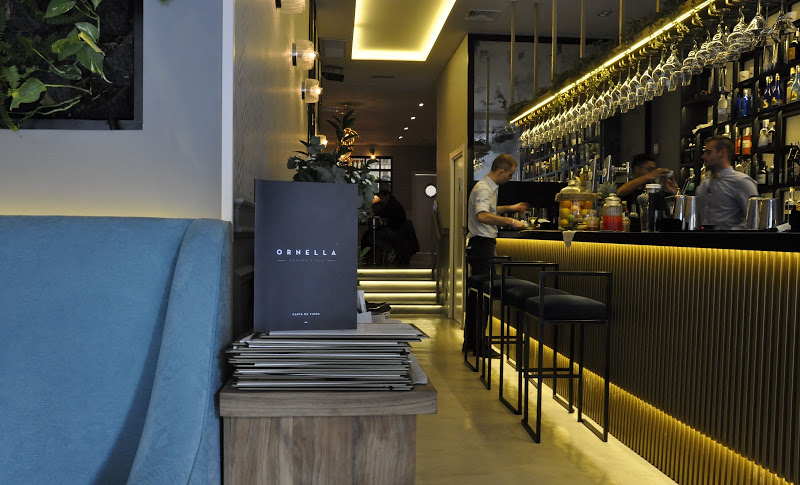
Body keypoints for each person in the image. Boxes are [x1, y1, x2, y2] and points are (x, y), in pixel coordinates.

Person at [463, 154, 529, 356]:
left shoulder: (487, 187)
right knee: (483, 297)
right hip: (482, 245)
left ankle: (472, 342)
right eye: (509, 174)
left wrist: (510, 208)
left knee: (477, 297)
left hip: (479, 245)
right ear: (501, 171)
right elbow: (482, 215)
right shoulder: (484, 188)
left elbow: (488, 209)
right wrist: (511, 222)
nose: (510, 178)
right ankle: (479, 345)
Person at [695, 135, 759, 230]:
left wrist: (730, 233)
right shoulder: (704, 186)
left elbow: (754, 219)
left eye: (708, 152)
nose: (703, 156)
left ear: (723, 153)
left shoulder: (742, 182)